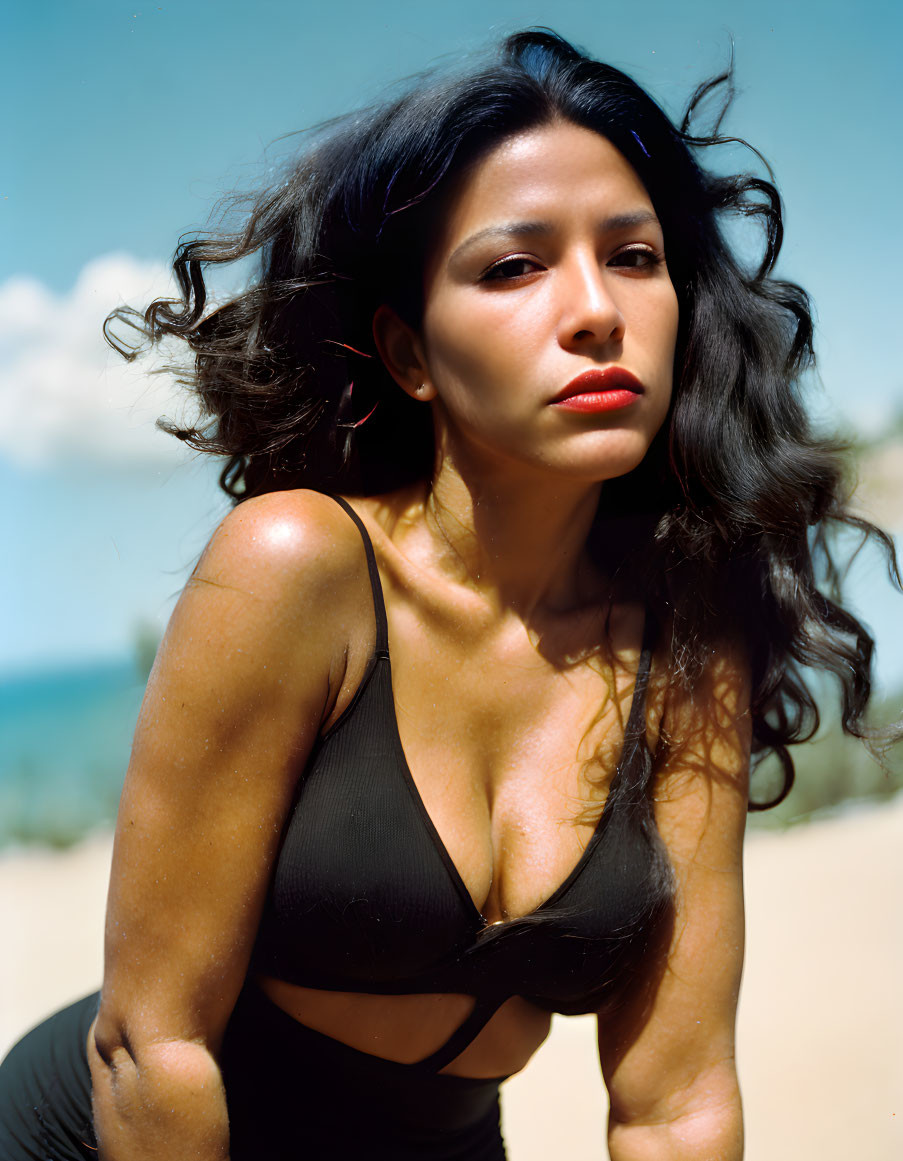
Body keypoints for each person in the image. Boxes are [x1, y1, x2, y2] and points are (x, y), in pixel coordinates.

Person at [1, 27, 898, 1161]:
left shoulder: (687, 645)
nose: (594, 310)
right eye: (514, 267)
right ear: (408, 352)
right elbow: (154, 1044)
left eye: (634, 255)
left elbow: (677, 1105)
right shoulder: (296, 567)